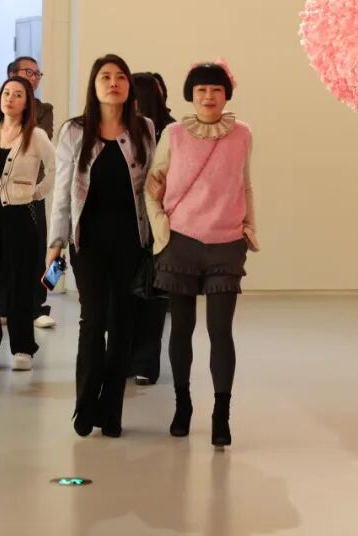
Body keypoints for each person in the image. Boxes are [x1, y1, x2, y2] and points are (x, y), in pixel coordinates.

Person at [145, 62, 258, 449]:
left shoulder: (242, 134)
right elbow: (152, 186)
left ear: (226, 95)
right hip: (181, 242)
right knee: (180, 329)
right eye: (201, 91)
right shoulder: (174, 134)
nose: (209, 97)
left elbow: (245, 184)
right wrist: (162, 231)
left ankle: (221, 413)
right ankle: (183, 405)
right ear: (190, 96)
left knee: (221, 331)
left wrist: (248, 228)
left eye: (216, 90)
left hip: (226, 243)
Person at [47, 54, 155, 437]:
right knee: (92, 321)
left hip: (131, 240)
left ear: (129, 86)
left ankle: (112, 413)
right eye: (105, 77)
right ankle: (85, 405)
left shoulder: (144, 128)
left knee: (123, 324)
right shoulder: (74, 131)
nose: (114, 83)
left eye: (120, 77)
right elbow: (63, 192)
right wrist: (55, 242)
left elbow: (152, 186)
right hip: (88, 241)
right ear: (94, 86)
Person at [0, 76, 56, 371]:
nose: (10, 99)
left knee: (20, 283)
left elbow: (55, 169)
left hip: (20, 214)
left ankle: (23, 348)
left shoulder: (36, 135)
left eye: (18, 94)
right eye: (6, 93)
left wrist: (36, 193)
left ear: (27, 102)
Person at [128, 72, 176, 386]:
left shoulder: (169, 132)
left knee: (147, 295)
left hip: (150, 222)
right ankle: (139, 362)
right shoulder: (122, 128)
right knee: (144, 296)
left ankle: (141, 362)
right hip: (148, 221)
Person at [7, 56, 57, 328]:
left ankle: (38, 306)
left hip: (31, 190)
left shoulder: (44, 109)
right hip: (0, 193)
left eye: (38, 74)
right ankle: (3, 306)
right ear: (11, 74)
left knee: (38, 248)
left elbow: (40, 139)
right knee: (3, 250)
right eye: (29, 72)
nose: (34, 77)